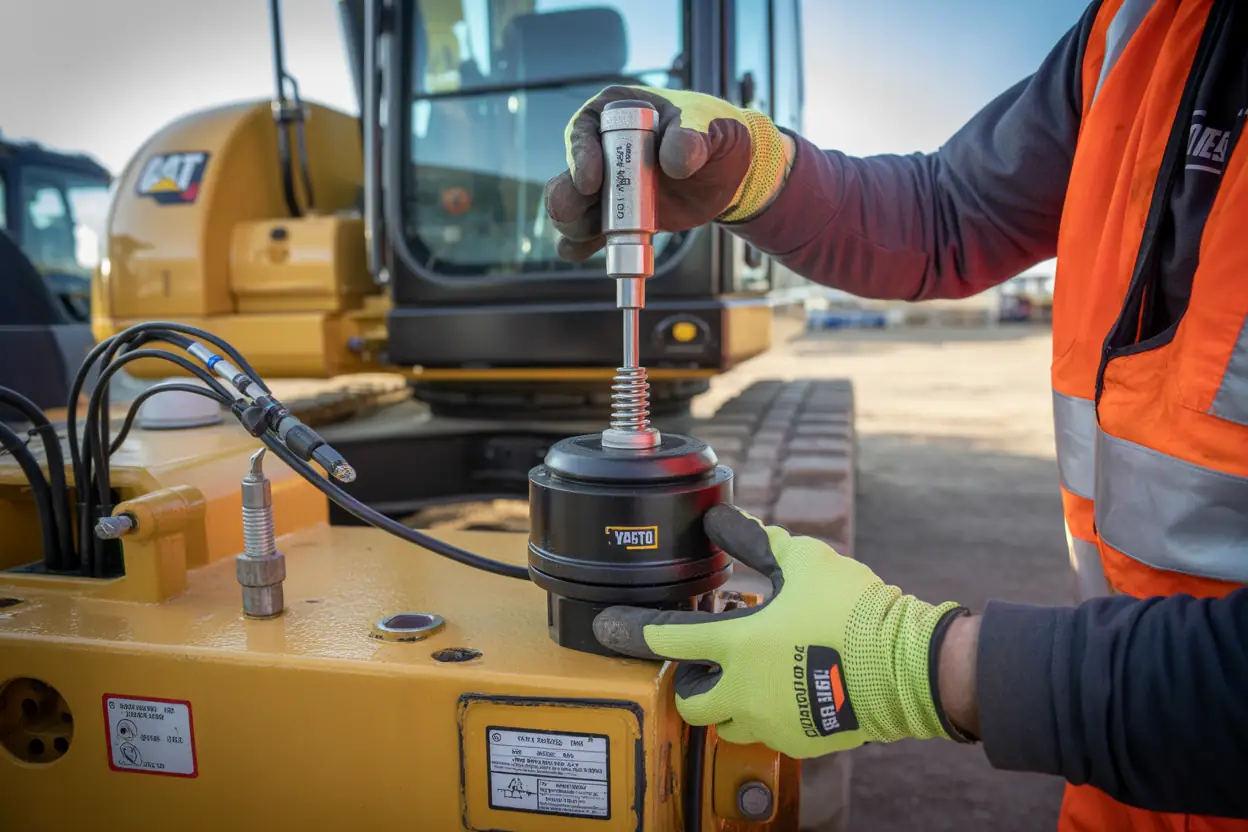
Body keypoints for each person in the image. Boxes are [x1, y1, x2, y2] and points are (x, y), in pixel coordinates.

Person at [544, 0, 1248, 828]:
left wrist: (922, 668)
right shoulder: (1148, 29)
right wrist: (754, 172)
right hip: (1126, 765)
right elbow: (950, 211)